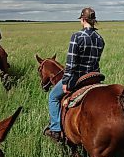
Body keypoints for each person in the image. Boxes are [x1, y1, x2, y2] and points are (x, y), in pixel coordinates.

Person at [44, 7, 105, 141]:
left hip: (78, 78)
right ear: (94, 21)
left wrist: (66, 81)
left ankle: (55, 128)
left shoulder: (77, 36)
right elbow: (96, 60)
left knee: (53, 97)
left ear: (83, 19)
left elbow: (70, 63)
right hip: (93, 78)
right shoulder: (100, 39)